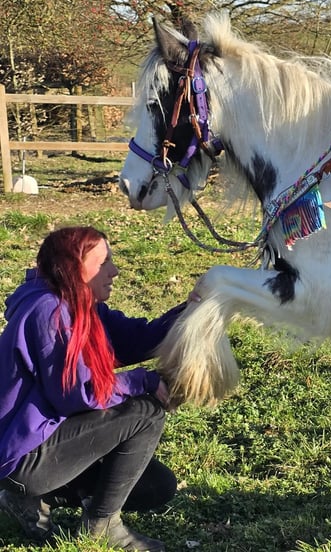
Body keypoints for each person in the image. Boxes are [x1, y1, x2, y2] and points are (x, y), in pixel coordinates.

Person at [0, 226, 200, 551]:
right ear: (74, 267)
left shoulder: (80, 305)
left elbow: (136, 339)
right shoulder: (49, 311)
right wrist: (145, 381)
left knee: (156, 485)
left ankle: (27, 500)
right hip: (23, 456)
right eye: (104, 262)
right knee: (146, 412)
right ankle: (101, 525)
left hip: (44, 441)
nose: (114, 270)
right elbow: (74, 395)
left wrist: (191, 311)